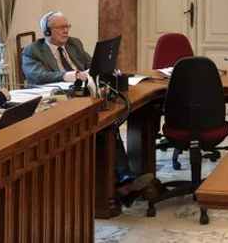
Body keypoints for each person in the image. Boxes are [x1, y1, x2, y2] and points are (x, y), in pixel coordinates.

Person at [22, 11, 153, 206]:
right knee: (102, 127)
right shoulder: (33, 51)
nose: (66, 31)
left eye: (67, 26)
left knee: (109, 123)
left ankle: (121, 180)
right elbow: (38, 76)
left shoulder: (74, 44)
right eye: (60, 27)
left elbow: (93, 65)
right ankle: (119, 183)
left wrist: (107, 70)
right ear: (47, 32)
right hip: (56, 103)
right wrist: (72, 75)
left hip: (85, 96)